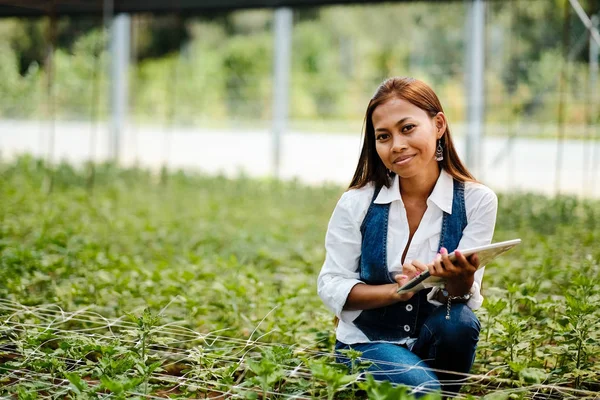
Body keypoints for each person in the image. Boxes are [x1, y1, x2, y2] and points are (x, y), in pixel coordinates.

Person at [317, 77, 498, 396]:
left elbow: (460, 300)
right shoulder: (357, 202)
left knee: (459, 321)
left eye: (407, 128)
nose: (396, 144)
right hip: (367, 342)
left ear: (438, 124)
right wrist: (394, 291)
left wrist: (460, 279)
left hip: (433, 335)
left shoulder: (476, 201)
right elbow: (331, 281)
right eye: (383, 136)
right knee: (422, 390)